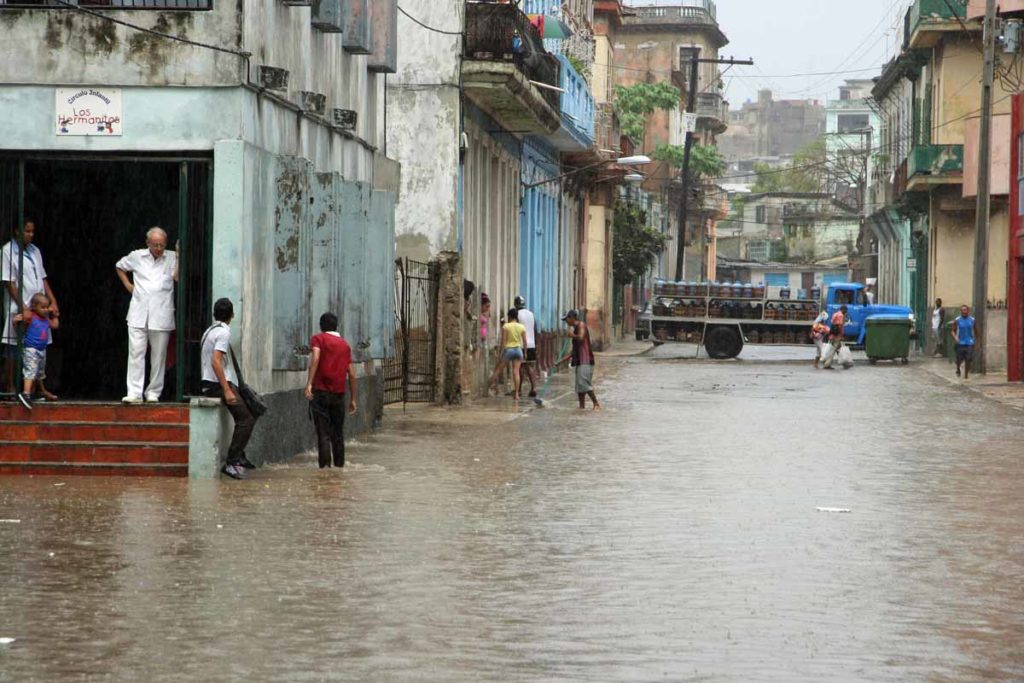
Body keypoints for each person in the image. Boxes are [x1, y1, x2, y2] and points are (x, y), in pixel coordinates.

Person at [116, 227, 178, 403]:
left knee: (159, 357)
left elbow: (177, 278)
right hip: (138, 312)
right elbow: (119, 266)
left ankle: (153, 393)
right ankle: (134, 392)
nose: (159, 248)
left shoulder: (172, 257)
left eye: (162, 245)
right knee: (136, 353)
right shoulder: (137, 256)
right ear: (148, 243)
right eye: (155, 245)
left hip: (161, 313)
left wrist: (180, 257)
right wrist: (128, 285)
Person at [2, 219, 60, 399]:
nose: (30, 235)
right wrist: (24, 307)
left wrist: (53, 301)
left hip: (40, 306)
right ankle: (11, 386)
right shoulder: (7, 251)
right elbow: (9, 282)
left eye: (32, 231)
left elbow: (42, 278)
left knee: (38, 346)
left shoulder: (35, 251)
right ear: (17, 231)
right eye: (27, 231)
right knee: (14, 345)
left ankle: (38, 388)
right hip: (22, 304)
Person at [200, 298, 256, 480]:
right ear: (232, 315)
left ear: (215, 314)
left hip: (213, 382)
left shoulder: (210, 330)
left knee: (251, 411)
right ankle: (232, 461)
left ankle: (239, 455)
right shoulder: (223, 333)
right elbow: (216, 361)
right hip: (217, 384)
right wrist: (226, 389)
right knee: (246, 419)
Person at [304, 312, 357, 469]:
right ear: (336, 326)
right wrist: (353, 399)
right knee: (338, 434)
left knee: (323, 433)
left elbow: (315, 358)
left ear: (321, 326)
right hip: (339, 395)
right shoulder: (345, 345)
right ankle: (339, 468)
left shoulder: (318, 339)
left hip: (320, 392)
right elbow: (352, 374)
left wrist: (309, 384)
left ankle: (325, 471)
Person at [11, 293, 59, 410]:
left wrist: (54, 315)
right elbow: (17, 323)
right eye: (43, 307)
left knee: (39, 372)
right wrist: (14, 321)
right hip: (31, 349)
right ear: (34, 306)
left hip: (41, 350)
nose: (46, 310)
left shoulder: (46, 319)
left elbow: (55, 326)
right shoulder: (31, 317)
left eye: (47, 307)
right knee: (30, 370)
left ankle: (35, 392)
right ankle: (26, 393)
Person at [559, 309, 600, 411]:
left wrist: (571, 335)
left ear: (572, 318)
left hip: (585, 360)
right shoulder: (576, 328)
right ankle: (581, 406)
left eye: (567, 319)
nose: (566, 322)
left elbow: (581, 337)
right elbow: (573, 352)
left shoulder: (581, 325)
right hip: (580, 361)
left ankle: (596, 403)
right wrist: (560, 361)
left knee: (584, 383)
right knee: (579, 387)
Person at [487, 307, 526, 400]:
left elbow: (503, 341)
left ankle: (487, 388)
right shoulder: (521, 327)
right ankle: (516, 394)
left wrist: (501, 353)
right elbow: (525, 341)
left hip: (509, 350)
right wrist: (526, 352)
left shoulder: (506, 326)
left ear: (509, 316)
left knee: (498, 369)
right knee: (516, 372)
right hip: (518, 350)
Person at [514, 295, 538, 397]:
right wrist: (536, 343)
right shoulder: (531, 314)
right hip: (531, 344)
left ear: (515, 304)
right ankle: (534, 387)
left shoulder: (516, 314)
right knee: (530, 366)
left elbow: (515, 328)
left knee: (520, 367)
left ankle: (518, 390)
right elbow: (535, 328)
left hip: (521, 344)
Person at [951, 304, 976, 380]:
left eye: (965, 310)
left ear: (968, 311)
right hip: (960, 342)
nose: (964, 312)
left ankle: (966, 374)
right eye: (962, 310)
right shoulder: (957, 320)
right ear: (960, 311)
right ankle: (958, 368)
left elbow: (976, 331)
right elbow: (952, 331)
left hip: (969, 342)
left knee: (968, 358)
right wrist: (955, 338)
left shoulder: (972, 320)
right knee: (959, 359)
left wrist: (976, 341)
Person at [821, 305, 848, 370]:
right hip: (837, 336)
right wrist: (842, 335)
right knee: (833, 350)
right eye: (846, 311)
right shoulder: (841, 315)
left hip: (832, 334)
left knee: (838, 349)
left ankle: (845, 363)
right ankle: (827, 364)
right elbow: (840, 326)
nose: (846, 312)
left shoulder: (835, 314)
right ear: (843, 310)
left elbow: (832, 323)